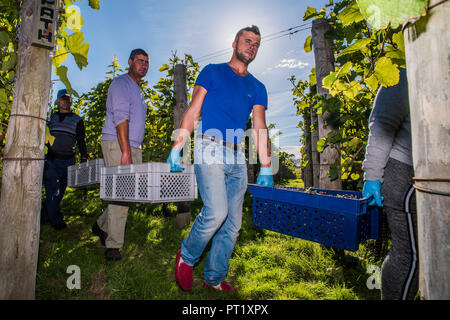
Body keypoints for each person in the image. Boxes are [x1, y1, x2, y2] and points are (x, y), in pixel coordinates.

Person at [167, 25, 273, 292]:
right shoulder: (212, 72)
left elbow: (259, 125)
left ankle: (213, 278)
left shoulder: (257, 87)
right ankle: (187, 256)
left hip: (237, 155)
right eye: (247, 41)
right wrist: (177, 146)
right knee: (216, 212)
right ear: (235, 42)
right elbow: (193, 111)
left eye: (257, 44)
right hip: (209, 147)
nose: (252, 46)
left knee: (233, 225)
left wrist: (267, 165)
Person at [362, 68, 418, 300]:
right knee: (410, 255)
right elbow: (382, 126)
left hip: (432, 175)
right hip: (404, 175)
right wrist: (372, 176)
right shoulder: (404, 75)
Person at [92, 48, 149, 261]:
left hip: (133, 145)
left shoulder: (137, 89)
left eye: (146, 63)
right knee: (121, 192)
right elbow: (120, 118)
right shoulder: (121, 84)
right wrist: (125, 151)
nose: (143, 65)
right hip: (118, 143)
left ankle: (100, 225)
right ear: (130, 61)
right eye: (140, 61)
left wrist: (133, 149)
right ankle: (113, 245)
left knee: (128, 192)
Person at [42, 89, 88, 230]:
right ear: (57, 101)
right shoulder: (51, 118)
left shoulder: (77, 120)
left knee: (60, 191)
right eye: (63, 98)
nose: (66, 101)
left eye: (68, 98)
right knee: (52, 189)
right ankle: (56, 220)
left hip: (68, 161)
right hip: (52, 159)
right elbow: (44, 138)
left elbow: (81, 140)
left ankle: (44, 216)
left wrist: (84, 157)